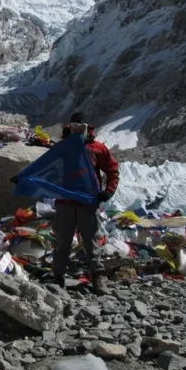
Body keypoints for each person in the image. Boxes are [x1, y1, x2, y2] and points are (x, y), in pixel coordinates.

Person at [53, 112, 119, 294]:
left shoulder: (97, 148)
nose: (78, 130)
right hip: (65, 202)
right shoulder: (62, 147)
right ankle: (58, 277)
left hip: (88, 203)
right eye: (75, 126)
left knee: (92, 241)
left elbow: (112, 169)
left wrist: (109, 190)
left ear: (87, 127)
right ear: (70, 126)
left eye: (81, 127)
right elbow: (46, 168)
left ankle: (97, 276)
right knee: (63, 241)